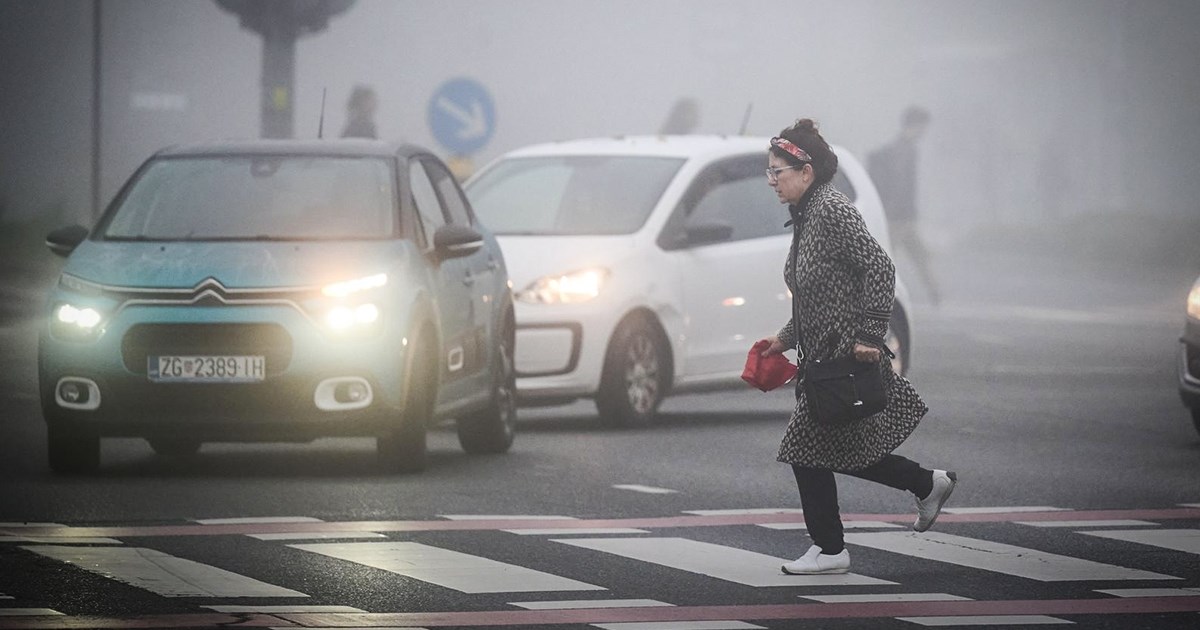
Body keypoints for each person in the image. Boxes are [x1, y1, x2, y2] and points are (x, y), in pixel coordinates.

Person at [761, 119, 957, 575]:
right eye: (769, 171)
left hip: (844, 360)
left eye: (778, 172)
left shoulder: (831, 209)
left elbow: (880, 266)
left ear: (805, 171)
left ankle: (831, 550)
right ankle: (926, 484)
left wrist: (870, 335)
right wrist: (784, 338)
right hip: (823, 360)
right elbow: (818, 292)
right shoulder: (807, 215)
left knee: (805, 451)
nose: (771, 181)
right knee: (837, 451)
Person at [867, 106, 940, 305]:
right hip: (898, 218)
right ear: (914, 125)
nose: (924, 132)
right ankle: (878, 296)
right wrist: (895, 213)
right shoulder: (904, 151)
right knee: (892, 257)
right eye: (922, 127)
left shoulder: (904, 149)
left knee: (917, 256)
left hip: (902, 216)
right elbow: (900, 184)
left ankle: (935, 294)